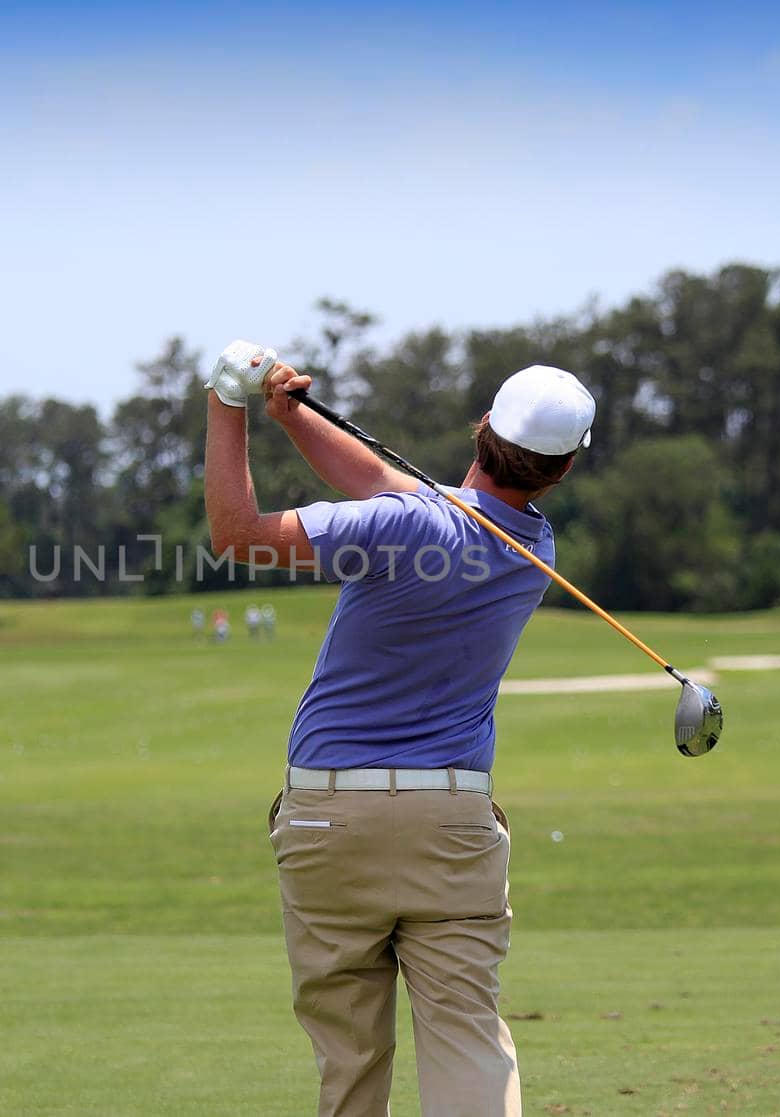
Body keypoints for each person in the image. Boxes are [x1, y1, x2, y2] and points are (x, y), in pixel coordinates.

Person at [204, 346, 593, 1117]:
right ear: (562, 471)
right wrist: (296, 418)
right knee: (468, 1043)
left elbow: (236, 532)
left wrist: (228, 401)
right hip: (452, 826)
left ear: (481, 425)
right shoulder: (533, 550)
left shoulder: (399, 523)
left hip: (326, 820)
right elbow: (389, 487)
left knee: (350, 1060)